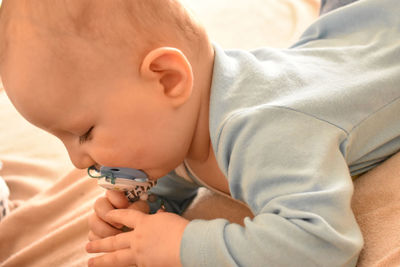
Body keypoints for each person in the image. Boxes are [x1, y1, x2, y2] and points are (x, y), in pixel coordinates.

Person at [0, 0, 399, 266]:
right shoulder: (181, 124)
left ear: (169, 79)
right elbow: (174, 184)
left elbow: (323, 244)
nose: (76, 160)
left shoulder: (262, 132)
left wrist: (183, 246)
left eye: (84, 132)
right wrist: (142, 218)